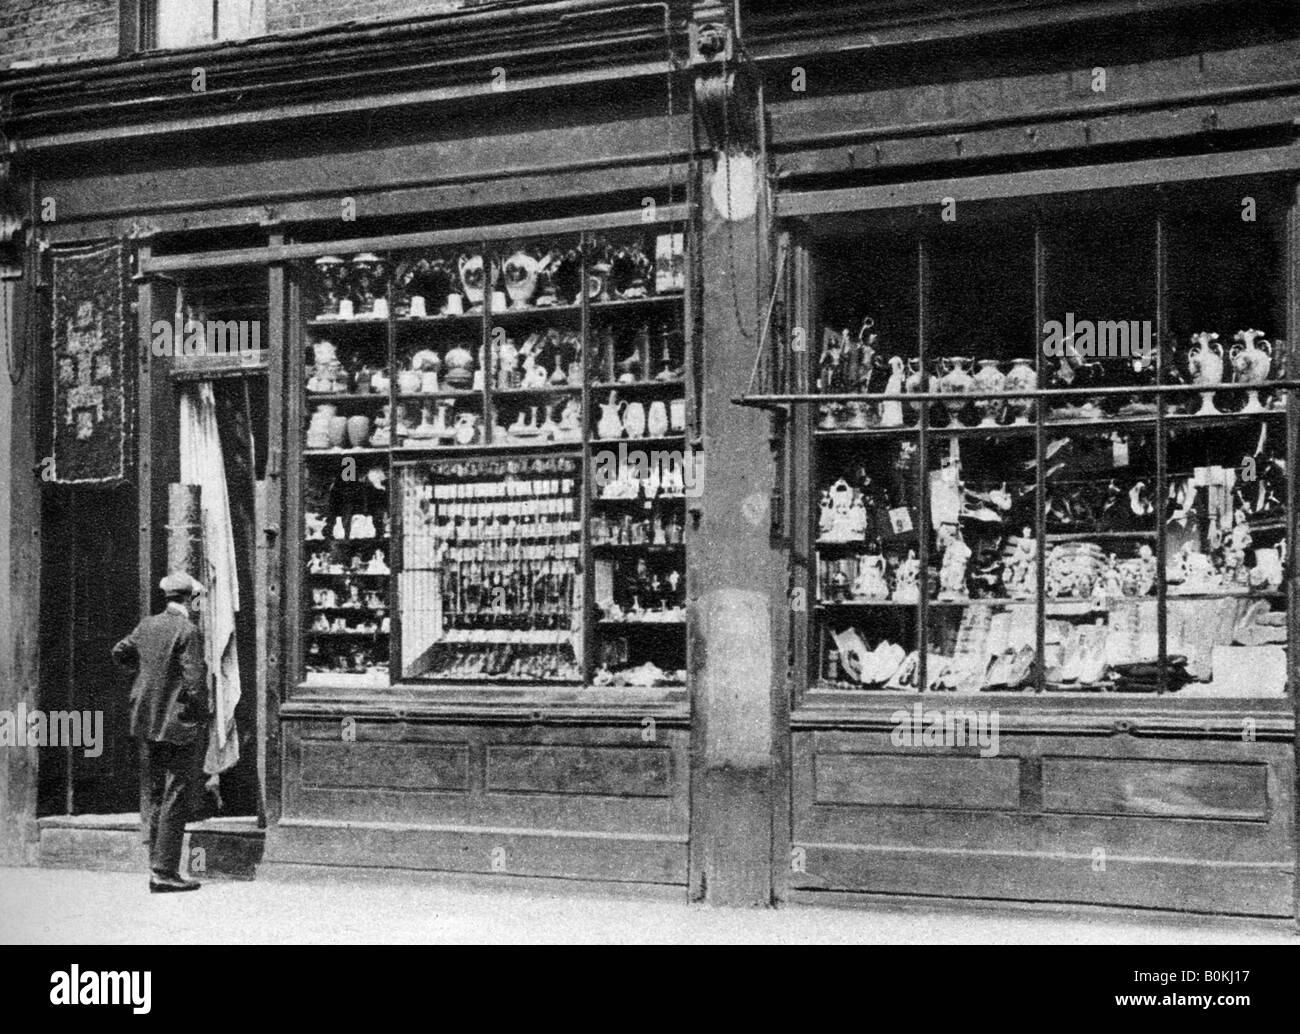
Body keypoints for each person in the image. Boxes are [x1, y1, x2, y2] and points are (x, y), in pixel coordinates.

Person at [111, 571, 210, 893]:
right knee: (175, 792)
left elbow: (120, 652)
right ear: (191, 599)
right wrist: (199, 713)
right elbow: (194, 682)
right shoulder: (188, 630)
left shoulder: (147, 625)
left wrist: (143, 683)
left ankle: (157, 865)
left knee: (156, 792)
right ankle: (164, 871)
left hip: (146, 720)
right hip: (177, 723)